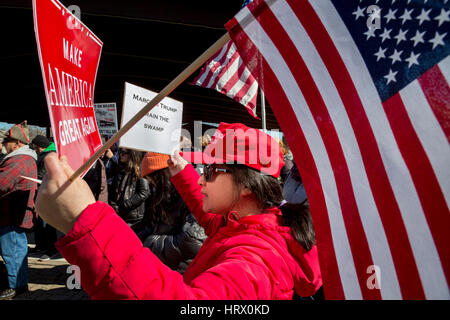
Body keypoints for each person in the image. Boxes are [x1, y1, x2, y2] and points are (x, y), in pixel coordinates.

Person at [35, 122, 322, 299]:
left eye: (210, 171)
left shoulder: (257, 261)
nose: (201, 177)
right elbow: (211, 221)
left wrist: (87, 222)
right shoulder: (250, 223)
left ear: (246, 186)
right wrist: (180, 171)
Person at [137, 152, 206, 274]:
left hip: (186, 270)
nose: (152, 184)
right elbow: (153, 225)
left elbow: (192, 241)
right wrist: (134, 240)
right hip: (166, 264)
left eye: (154, 179)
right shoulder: (162, 194)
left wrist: (150, 243)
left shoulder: (191, 192)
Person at [0, 123, 37, 299]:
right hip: (15, 213)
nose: (4, 144)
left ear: (17, 143)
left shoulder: (18, 160)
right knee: (17, 250)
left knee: (13, 251)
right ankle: (18, 284)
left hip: (11, 214)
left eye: (7, 141)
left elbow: (2, 184)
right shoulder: (24, 158)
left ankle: (16, 286)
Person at [30, 134, 58, 260]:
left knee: (48, 223)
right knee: (40, 221)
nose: (36, 150)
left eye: (37, 148)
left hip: (47, 192)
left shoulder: (50, 156)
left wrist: (35, 179)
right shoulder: (43, 154)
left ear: (42, 146)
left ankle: (51, 249)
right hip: (41, 191)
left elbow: (43, 174)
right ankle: (41, 246)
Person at [108, 148, 150, 231]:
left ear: (132, 155)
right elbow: (114, 189)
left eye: (124, 153)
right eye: (120, 152)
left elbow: (144, 193)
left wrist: (123, 206)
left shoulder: (140, 170)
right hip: (120, 214)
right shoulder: (119, 168)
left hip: (133, 218)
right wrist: (113, 205)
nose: (120, 155)